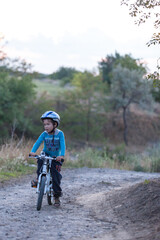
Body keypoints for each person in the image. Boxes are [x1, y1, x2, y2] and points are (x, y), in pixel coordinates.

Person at [29, 110, 65, 207]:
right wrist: (33, 151)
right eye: (44, 124)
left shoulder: (60, 134)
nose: (46, 127)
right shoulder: (44, 134)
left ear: (55, 124)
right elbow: (38, 142)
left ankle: (56, 196)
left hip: (55, 157)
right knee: (40, 161)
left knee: (56, 175)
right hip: (46, 153)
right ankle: (38, 178)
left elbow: (62, 145)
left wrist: (61, 155)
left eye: (48, 124)